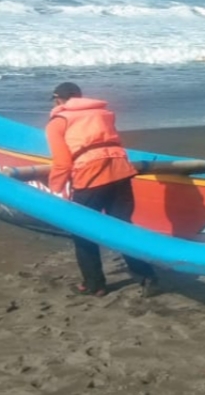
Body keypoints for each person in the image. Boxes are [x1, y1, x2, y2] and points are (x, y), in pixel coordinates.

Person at [45, 82, 159, 298]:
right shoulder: (104, 114)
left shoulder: (58, 122)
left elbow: (62, 163)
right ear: (79, 97)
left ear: (58, 100)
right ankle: (147, 278)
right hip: (121, 172)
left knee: (82, 231)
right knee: (123, 229)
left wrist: (54, 189)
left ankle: (94, 284)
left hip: (91, 178)